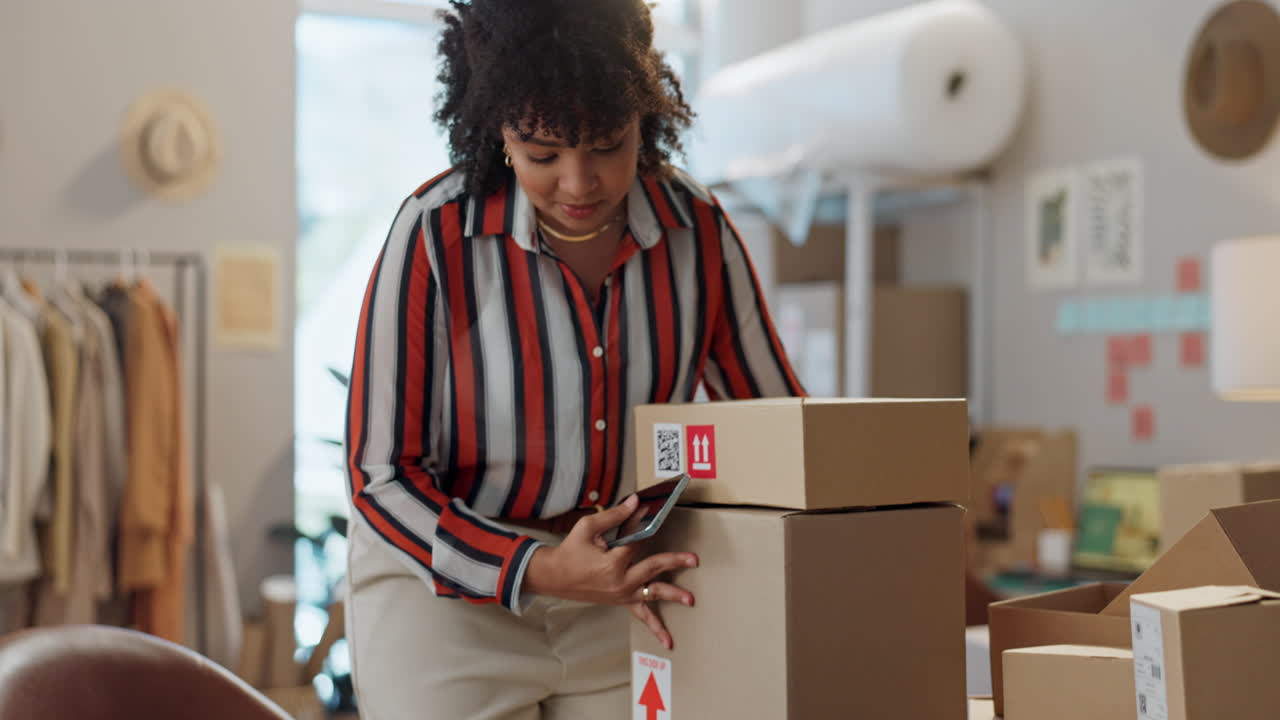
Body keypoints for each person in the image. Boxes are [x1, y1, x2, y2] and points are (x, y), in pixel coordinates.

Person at [344, 0, 805, 717]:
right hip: (448, 597)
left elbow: (780, 428)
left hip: (617, 588)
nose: (579, 183)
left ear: (644, 120)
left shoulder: (699, 230)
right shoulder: (435, 234)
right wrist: (538, 567)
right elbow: (378, 477)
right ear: (498, 133)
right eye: (542, 154)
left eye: (606, 144)